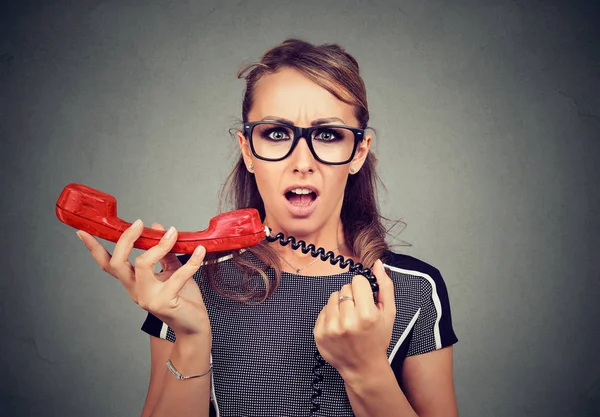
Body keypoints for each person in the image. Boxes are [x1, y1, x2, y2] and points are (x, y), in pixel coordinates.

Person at [76, 39, 459, 417]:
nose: (302, 162)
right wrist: (191, 338)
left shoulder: (412, 288)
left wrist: (366, 372)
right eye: (276, 134)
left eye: (328, 134)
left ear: (358, 152)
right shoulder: (190, 283)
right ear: (247, 150)